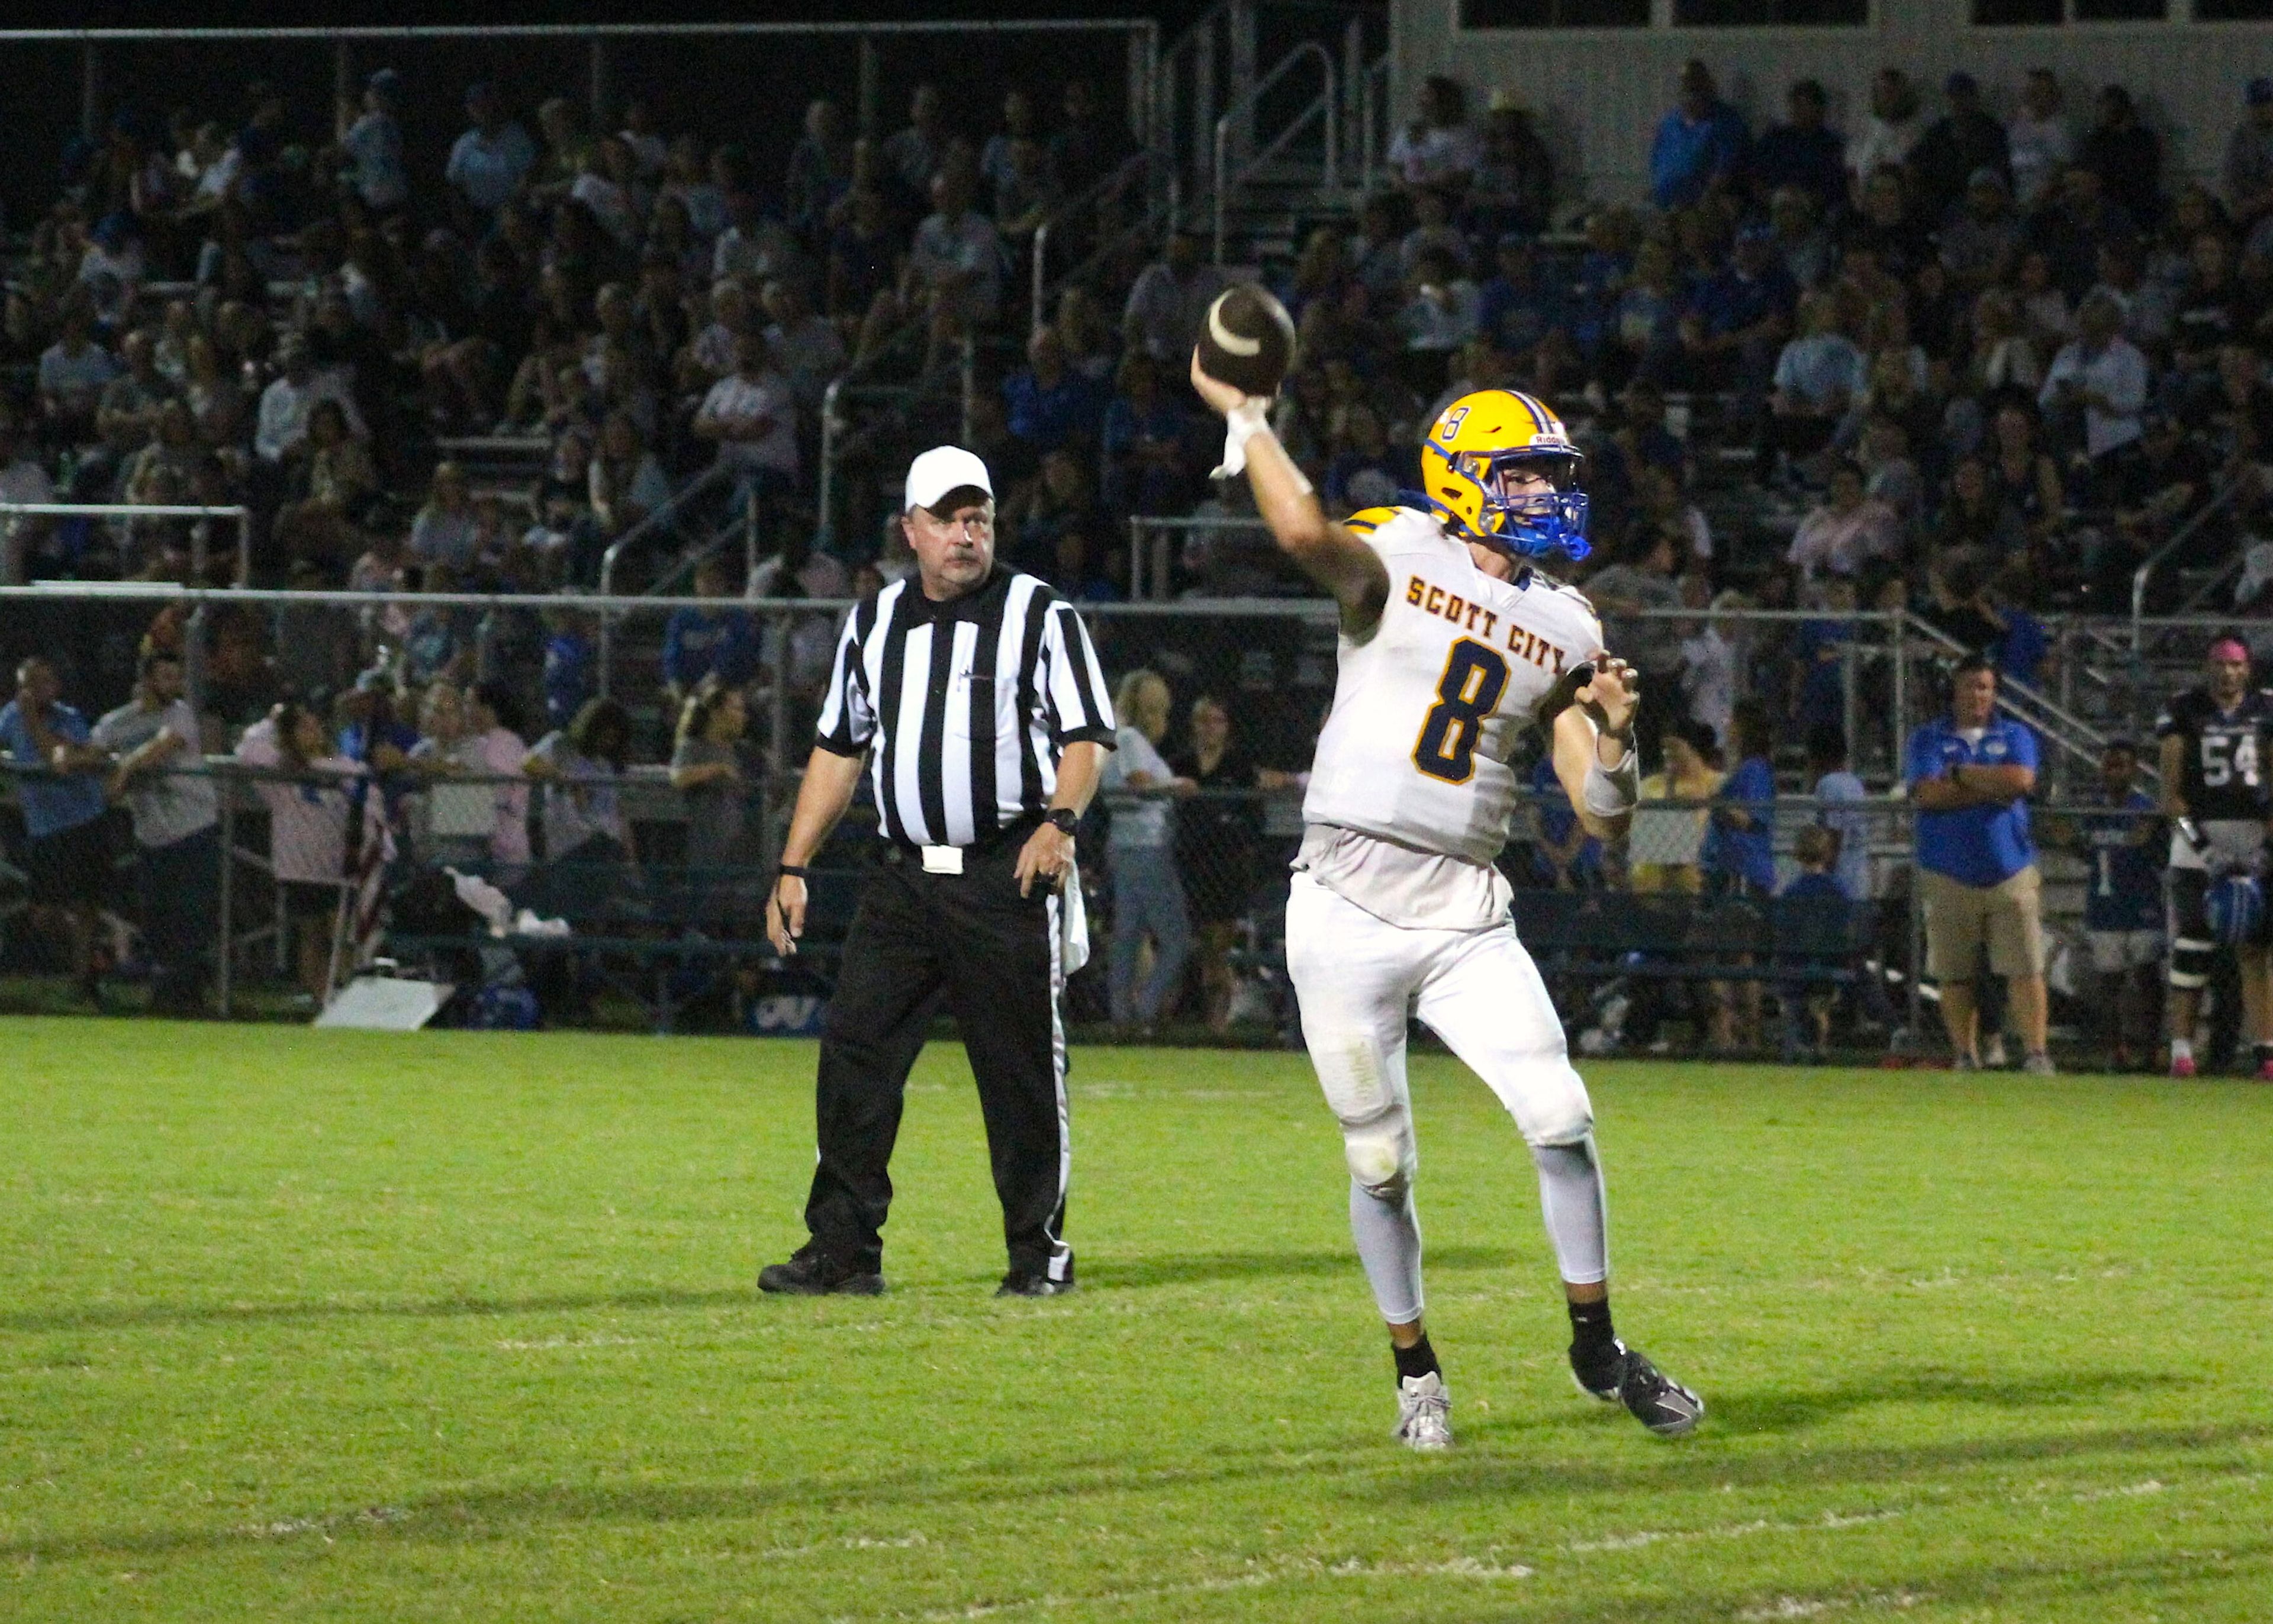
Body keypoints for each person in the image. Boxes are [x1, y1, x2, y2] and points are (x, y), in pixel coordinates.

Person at [1188, 363, 1702, 1447]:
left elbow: (1606, 815)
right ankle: (1415, 1365)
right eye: (1523, 477)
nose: (1546, 495)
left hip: (1466, 907)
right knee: (1379, 1160)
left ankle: (1597, 1344)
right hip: (1342, 899)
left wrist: (1615, 733)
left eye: (1550, 476)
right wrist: (1248, 418)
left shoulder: (1567, 620)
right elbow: (1303, 537)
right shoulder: (1401, 549)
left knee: (1562, 1119)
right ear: (1464, 479)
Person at [760, 444, 1115, 1300]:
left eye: (979, 517)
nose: (966, 534)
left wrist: (1060, 824)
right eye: (949, 519)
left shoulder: (1039, 613)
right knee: (855, 1057)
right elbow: (840, 749)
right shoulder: (874, 623)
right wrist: (793, 862)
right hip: (904, 878)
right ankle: (843, 1251)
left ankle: (1039, 1256)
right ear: (910, 530)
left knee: (1020, 1072)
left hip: (1006, 874)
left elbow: (1085, 738)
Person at [1905, 655, 2052, 1074]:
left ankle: (2037, 1054)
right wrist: (1992, 787)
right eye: (1970, 686)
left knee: (2026, 967)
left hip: (2011, 868)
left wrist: (1960, 775)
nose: (1978, 695)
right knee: (1955, 973)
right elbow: (1928, 796)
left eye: (1985, 687)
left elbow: (2022, 781)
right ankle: (1965, 1055)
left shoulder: (2016, 734)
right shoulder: (1928, 738)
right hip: (1948, 870)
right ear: (1955, 690)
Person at [2153, 637, 2273, 1080]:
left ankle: (2266, 1049)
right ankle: (2181, 1049)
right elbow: (2170, 796)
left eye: (2236, 665)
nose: (2228, 673)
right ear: (2208, 667)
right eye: (2221, 664)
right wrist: (2209, 853)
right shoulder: (2184, 710)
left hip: (2255, 838)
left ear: (2248, 668)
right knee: (2192, 947)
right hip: (2198, 840)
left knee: (2256, 949)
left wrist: (2263, 850)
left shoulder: (2266, 708)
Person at [86, 649, 221, 1017]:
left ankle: (188, 997)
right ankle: (165, 994)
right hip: (153, 835)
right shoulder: (118, 722)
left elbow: (163, 745)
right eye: (164, 677)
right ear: (146, 680)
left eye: (176, 678)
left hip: (193, 828)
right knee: (157, 916)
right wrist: (73, 758)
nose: (172, 685)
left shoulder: (180, 713)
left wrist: (125, 768)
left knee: (190, 916)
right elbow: (95, 750)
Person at [0, 657, 111, 1004]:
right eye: (31, 684)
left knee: (86, 905)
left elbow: (56, 759)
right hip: (45, 827)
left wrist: (33, 721)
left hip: (83, 819)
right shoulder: (9, 718)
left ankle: (84, 983)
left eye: (45, 682)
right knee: (42, 913)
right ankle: (90, 955)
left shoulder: (69, 719)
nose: (37, 691)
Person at [234, 699, 356, 1001]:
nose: (313, 732)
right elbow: (247, 750)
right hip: (299, 867)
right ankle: (323, 1000)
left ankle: (346, 993)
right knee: (311, 934)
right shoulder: (281, 770)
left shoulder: (338, 765)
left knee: (342, 934)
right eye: (303, 727)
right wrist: (276, 720)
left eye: (316, 726)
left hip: (337, 865)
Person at [2053, 740, 2163, 1071]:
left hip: (2142, 905)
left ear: (2134, 770)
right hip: (2105, 908)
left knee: (2147, 978)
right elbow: (2090, 851)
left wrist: (2153, 838)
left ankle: (2152, 1048)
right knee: (2110, 983)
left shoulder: (2147, 810)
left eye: (2123, 765)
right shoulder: (2094, 812)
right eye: (2110, 765)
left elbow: (2159, 855)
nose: (2115, 772)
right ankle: (2116, 1050)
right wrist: (2070, 841)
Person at [1098, 669, 1195, 1030]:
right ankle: (1143, 1010)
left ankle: (1122, 1014)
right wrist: (1175, 785)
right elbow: (1138, 783)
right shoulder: (1129, 740)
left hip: (1127, 846)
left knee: (1129, 934)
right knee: (1177, 939)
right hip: (1145, 847)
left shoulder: (1123, 739)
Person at [1649, 60, 1746, 213]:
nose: (1691, 94)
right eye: (1686, 86)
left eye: (1696, 87)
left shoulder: (1725, 121)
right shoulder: (1670, 122)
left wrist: (1704, 200)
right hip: (1663, 206)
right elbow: (1656, 162)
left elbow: (1725, 170)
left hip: (1701, 208)